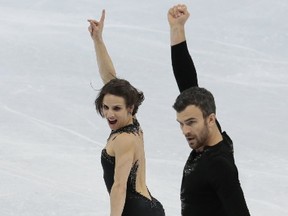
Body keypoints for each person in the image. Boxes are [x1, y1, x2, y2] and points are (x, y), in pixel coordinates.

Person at [168, 4, 250, 216]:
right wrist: (177, 28)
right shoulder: (210, 137)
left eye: (191, 122)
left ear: (210, 119)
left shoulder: (219, 166)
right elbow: (188, 83)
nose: (186, 131)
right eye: (182, 124)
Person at [88, 10, 165, 216]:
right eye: (105, 107)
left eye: (116, 108)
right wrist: (98, 40)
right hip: (147, 207)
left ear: (130, 107)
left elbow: (119, 186)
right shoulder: (131, 124)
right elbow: (109, 77)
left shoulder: (124, 140)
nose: (109, 114)